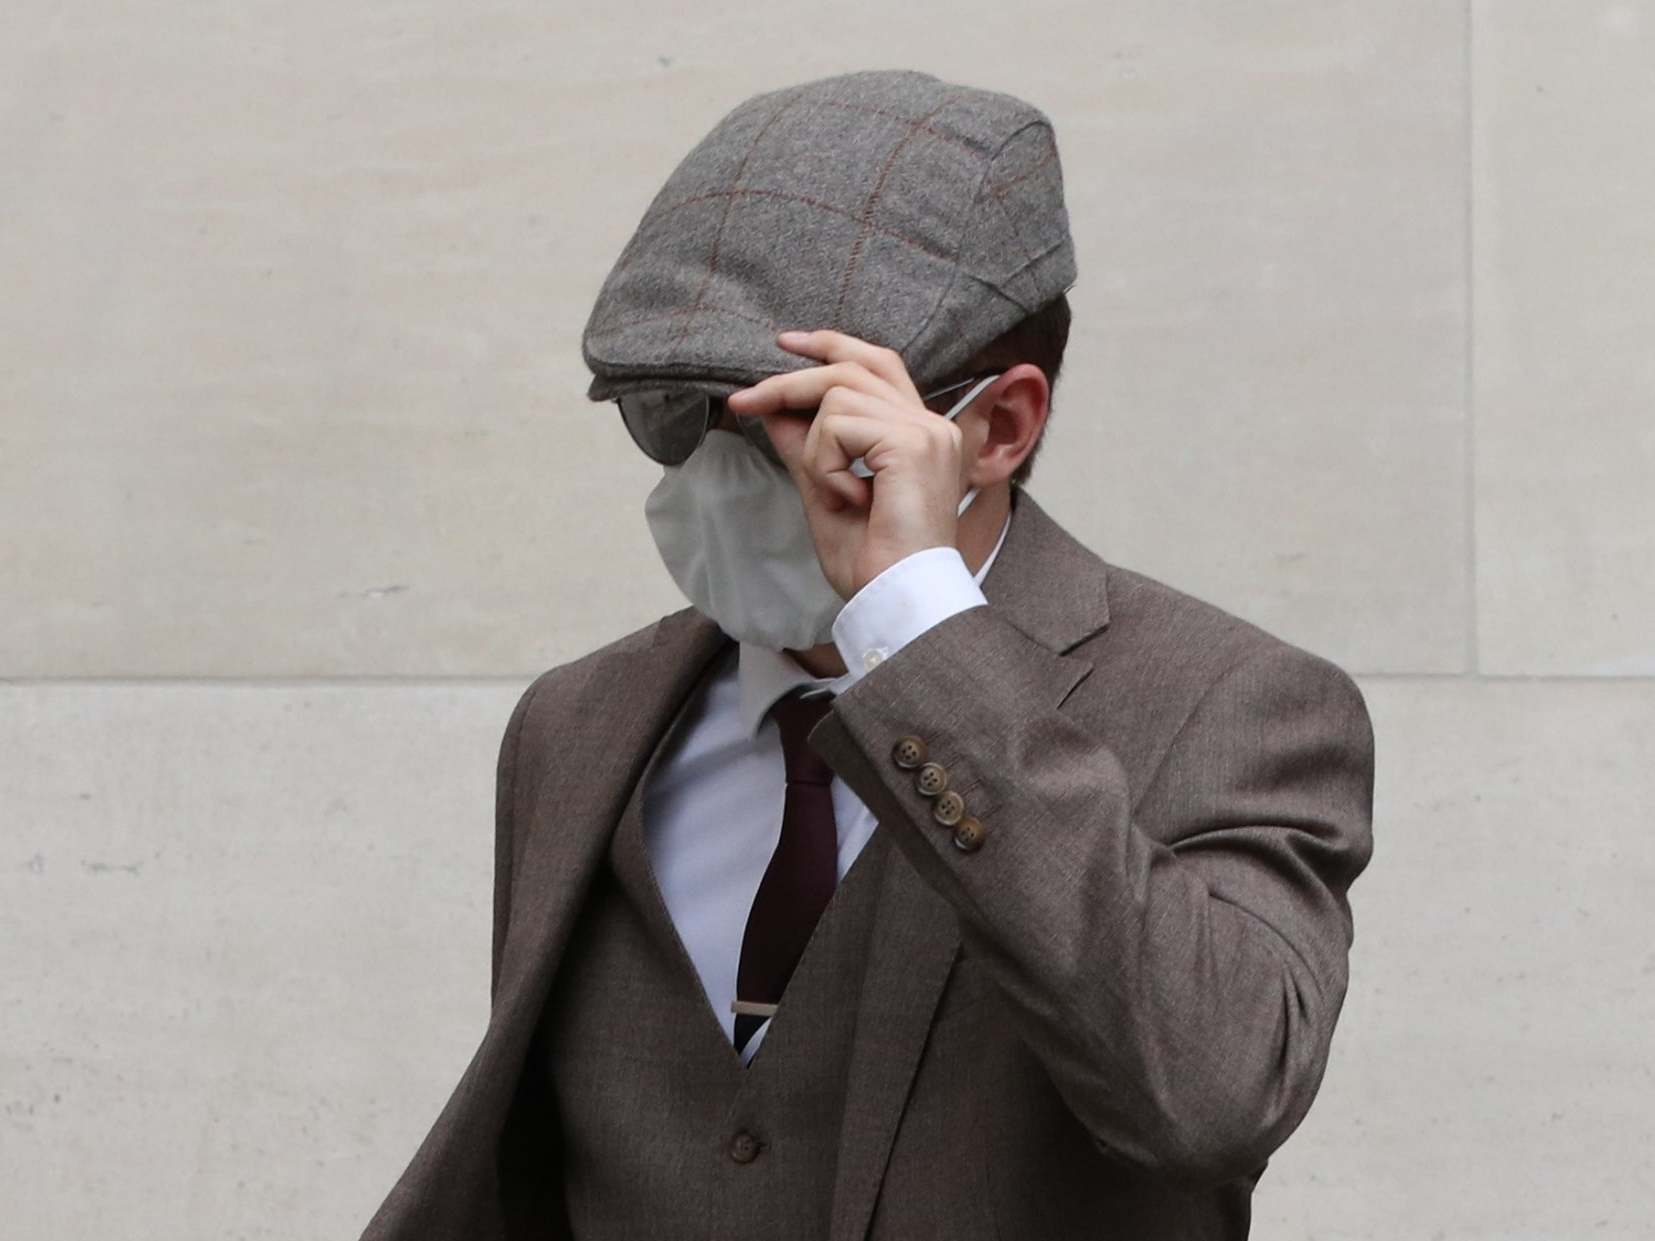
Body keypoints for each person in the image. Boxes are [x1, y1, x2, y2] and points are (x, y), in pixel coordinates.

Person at [360, 68, 1375, 1240]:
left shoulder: (1233, 705)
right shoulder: (576, 722)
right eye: (669, 419)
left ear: (994, 426)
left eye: (794, 425)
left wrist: (916, 631)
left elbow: (1209, 1093)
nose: (709, 475)